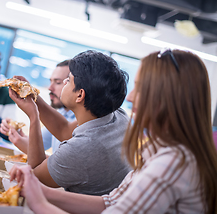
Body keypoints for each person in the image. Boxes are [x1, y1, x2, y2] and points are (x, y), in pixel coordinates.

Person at [9, 49, 217, 214]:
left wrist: (38, 201)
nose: (130, 97)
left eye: (140, 88)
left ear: (164, 99)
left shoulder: (172, 163)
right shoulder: (155, 146)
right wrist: (42, 192)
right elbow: (110, 202)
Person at [8, 50, 131, 196]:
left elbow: (34, 174)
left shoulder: (83, 147)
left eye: (68, 79)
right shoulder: (117, 115)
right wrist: (32, 96)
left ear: (80, 94)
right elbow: (64, 130)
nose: (65, 82)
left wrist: (33, 116)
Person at [0, 60, 76, 154]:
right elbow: (38, 145)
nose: (50, 88)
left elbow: (55, 163)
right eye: (51, 81)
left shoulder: (82, 122)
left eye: (58, 82)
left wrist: (33, 114)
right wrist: (16, 133)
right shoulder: (61, 113)